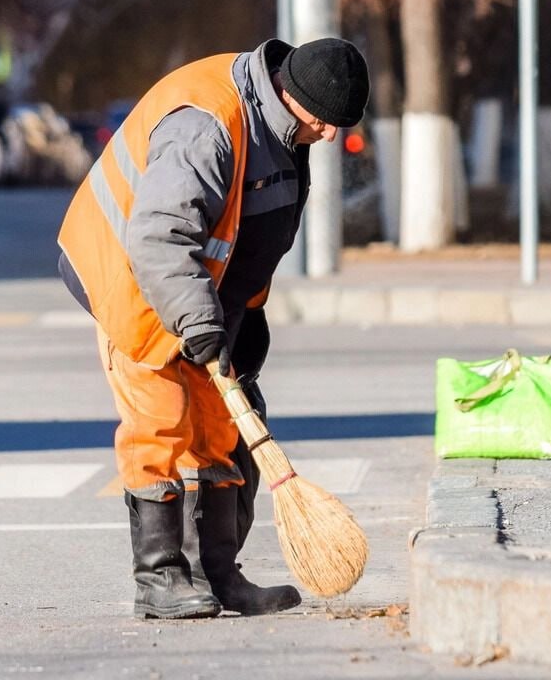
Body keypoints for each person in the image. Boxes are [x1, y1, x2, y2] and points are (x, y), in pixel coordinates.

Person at [57, 38, 370, 619]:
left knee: (220, 427)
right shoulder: (207, 126)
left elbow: (251, 237)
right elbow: (157, 238)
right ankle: (159, 579)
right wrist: (200, 322)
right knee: (161, 422)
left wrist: (244, 317)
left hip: (198, 286)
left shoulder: (282, 129)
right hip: (135, 275)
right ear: (290, 93)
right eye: (323, 121)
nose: (329, 135)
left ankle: (216, 574)